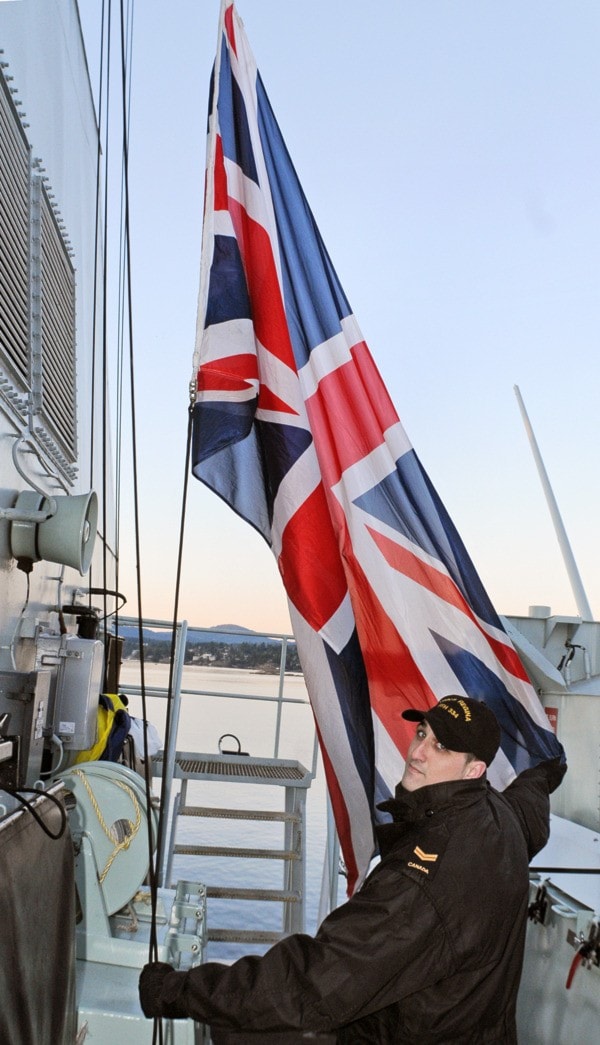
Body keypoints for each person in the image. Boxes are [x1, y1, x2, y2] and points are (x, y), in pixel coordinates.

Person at [139, 695, 566, 1043]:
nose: (417, 752)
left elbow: (317, 980)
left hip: (412, 1036)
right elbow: (531, 800)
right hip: (468, 1027)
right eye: (422, 733)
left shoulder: (424, 879)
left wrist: (175, 991)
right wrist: (548, 771)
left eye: (441, 747)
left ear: (475, 770)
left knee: (238, 1031)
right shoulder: (502, 818)